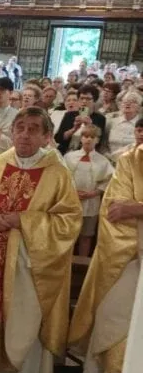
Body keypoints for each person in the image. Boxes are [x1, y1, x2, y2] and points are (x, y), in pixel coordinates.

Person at [0, 108, 82, 373]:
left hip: (27, 268)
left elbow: (69, 222)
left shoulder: (57, 173)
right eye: (19, 127)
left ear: (47, 136)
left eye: (33, 129)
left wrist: (24, 221)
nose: (24, 134)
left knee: (20, 325)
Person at [70, 142, 143, 373]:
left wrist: (137, 209)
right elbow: (114, 214)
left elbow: (128, 210)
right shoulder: (132, 160)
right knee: (113, 325)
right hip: (130, 264)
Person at [64, 125, 114, 256]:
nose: (89, 139)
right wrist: (71, 191)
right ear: (81, 138)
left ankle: (82, 263)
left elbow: (109, 180)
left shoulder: (103, 161)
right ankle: (66, 262)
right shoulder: (69, 157)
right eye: (86, 136)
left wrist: (94, 192)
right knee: (68, 235)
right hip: (70, 201)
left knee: (86, 236)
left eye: (92, 137)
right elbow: (62, 177)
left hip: (91, 203)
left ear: (97, 140)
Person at [55, 83, 106, 155]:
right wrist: (74, 129)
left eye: (88, 99)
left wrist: (90, 126)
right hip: (65, 151)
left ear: (94, 100)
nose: (84, 101)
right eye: (81, 98)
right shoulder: (69, 115)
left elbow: (98, 144)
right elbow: (58, 139)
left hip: (85, 153)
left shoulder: (100, 118)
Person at [103, 92, 142, 163]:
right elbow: (103, 144)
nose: (128, 104)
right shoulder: (110, 122)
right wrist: (108, 157)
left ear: (139, 107)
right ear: (120, 105)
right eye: (125, 101)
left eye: (132, 101)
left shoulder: (141, 125)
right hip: (110, 161)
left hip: (134, 162)